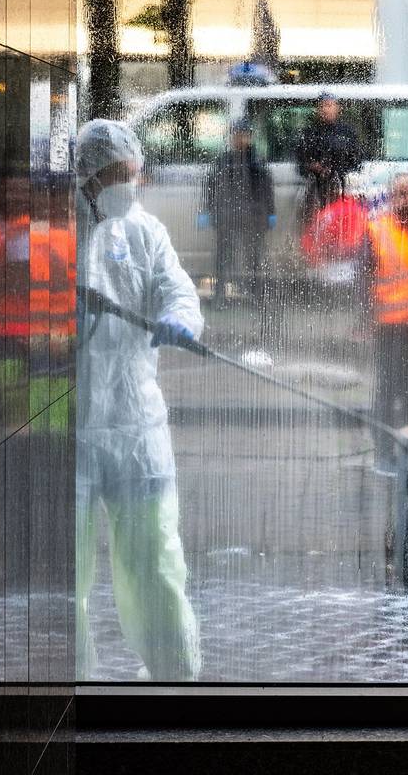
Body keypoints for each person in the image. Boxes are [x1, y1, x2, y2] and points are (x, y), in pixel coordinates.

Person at [74, 119, 204, 681]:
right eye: (119, 176)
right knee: (65, 572)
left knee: (155, 560)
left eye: (134, 173)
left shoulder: (145, 231)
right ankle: (72, 678)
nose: (131, 184)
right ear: (90, 176)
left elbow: (176, 287)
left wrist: (179, 317)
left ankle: (177, 677)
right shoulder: (64, 233)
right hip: (72, 426)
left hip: (136, 420)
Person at [363, 174, 408, 475]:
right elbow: (363, 278)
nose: (407, 200)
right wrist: (364, 318)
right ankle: (383, 452)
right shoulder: (378, 230)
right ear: (392, 199)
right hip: (390, 325)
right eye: (401, 195)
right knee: (389, 390)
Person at [205, 118, 275, 306]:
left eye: (244, 135)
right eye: (236, 135)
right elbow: (211, 187)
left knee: (254, 258)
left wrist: (270, 214)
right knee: (223, 257)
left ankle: (257, 295)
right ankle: (219, 295)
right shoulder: (223, 161)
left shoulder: (257, 161)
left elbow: (266, 189)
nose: (240, 139)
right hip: (228, 214)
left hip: (253, 216)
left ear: (250, 138)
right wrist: (209, 211)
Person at [294, 91, 362, 220]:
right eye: (322, 106)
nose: (325, 109)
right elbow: (300, 165)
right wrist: (313, 167)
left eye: (329, 105)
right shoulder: (309, 133)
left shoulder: (347, 133)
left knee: (341, 226)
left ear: (337, 108)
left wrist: (338, 172)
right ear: (317, 109)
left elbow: (357, 162)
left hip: (342, 191)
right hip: (316, 193)